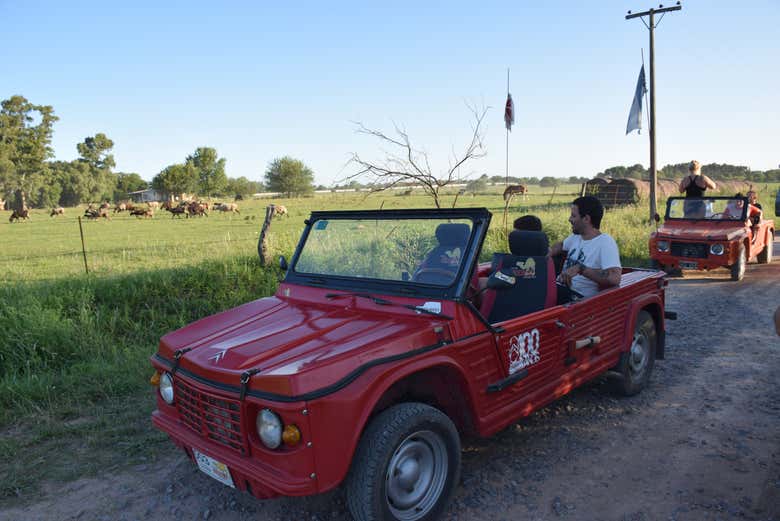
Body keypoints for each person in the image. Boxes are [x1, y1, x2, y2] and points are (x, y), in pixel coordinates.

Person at [550, 196, 621, 298]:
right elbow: (561, 245)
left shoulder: (605, 242)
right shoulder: (576, 237)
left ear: (586, 219)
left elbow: (614, 277)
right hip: (560, 289)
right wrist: (549, 251)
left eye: (573, 216)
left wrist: (581, 269)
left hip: (578, 297)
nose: (569, 219)